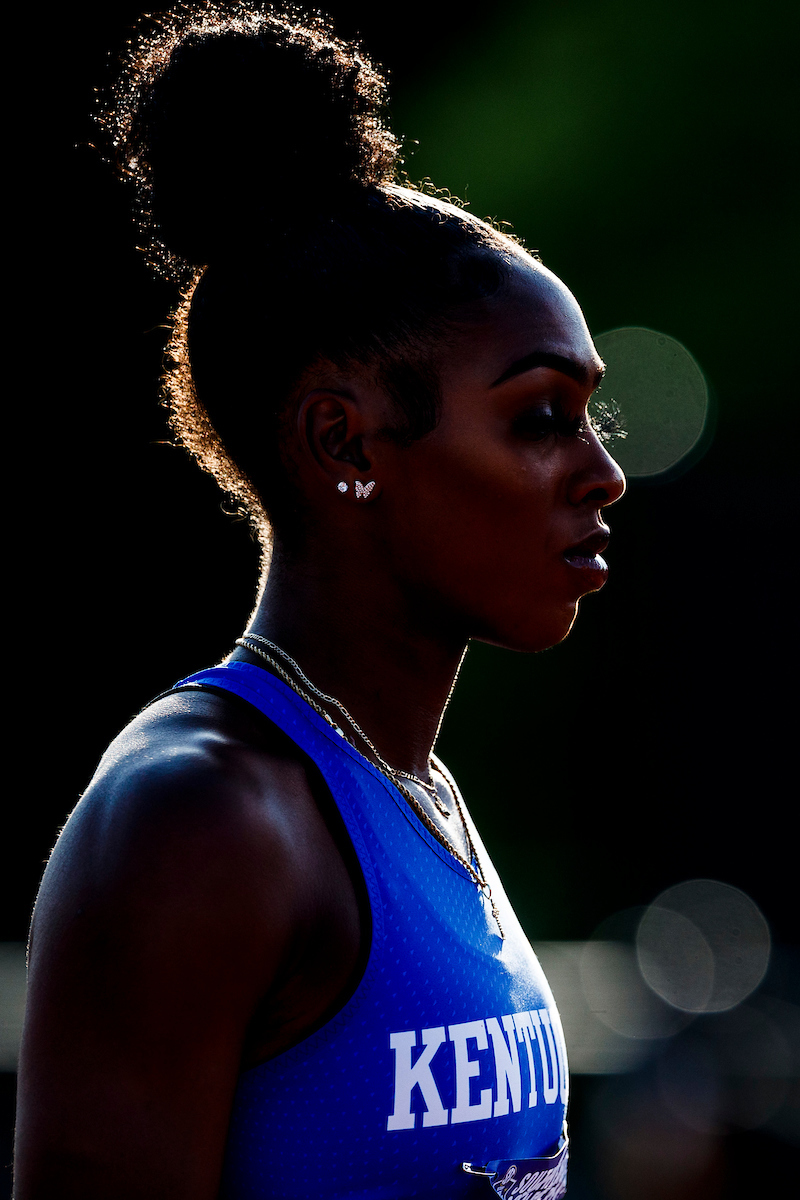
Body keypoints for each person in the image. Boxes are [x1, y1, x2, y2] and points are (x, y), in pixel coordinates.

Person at [14, 3, 625, 1197]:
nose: (600, 471)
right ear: (343, 439)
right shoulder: (198, 821)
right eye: (540, 416)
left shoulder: (411, 786)